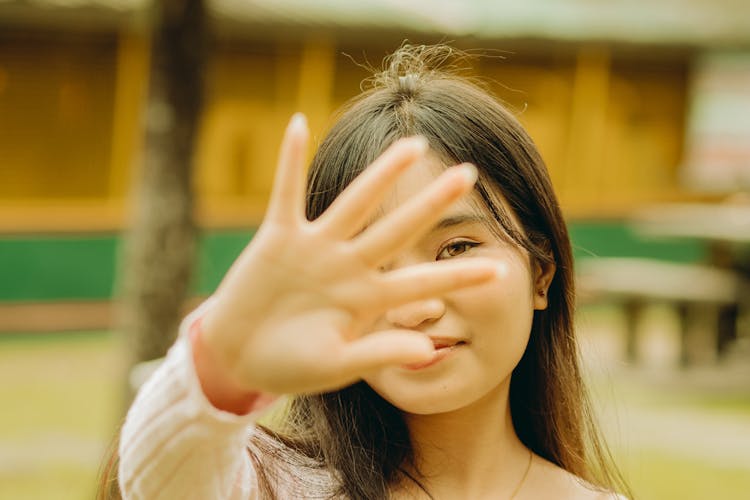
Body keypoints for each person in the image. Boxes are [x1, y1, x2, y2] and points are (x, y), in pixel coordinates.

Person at [113, 44, 630, 499]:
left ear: (541, 275)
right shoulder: (268, 484)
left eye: (456, 248)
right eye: (372, 263)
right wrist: (220, 365)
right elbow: (161, 482)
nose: (414, 307)